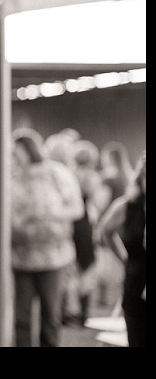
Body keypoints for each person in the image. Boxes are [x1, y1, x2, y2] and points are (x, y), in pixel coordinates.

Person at [10, 128, 84, 347]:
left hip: (54, 256)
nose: (15, 158)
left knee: (51, 314)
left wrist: (46, 215)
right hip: (22, 256)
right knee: (21, 316)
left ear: (29, 149)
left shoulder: (56, 173)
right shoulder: (13, 178)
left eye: (17, 152)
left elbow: (77, 209)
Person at [99, 152, 146, 347]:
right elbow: (105, 231)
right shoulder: (127, 207)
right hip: (136, 280)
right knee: (137, 337)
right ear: (141, 178)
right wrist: (124, 258)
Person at [62, 139, 110, 326]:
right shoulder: (92, 177)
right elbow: (98, 204)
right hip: (85, 225)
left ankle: (67, 312)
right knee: (87, 265)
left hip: (70, 223)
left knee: (70, 267)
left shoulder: (68, 174)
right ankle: (83, 314)